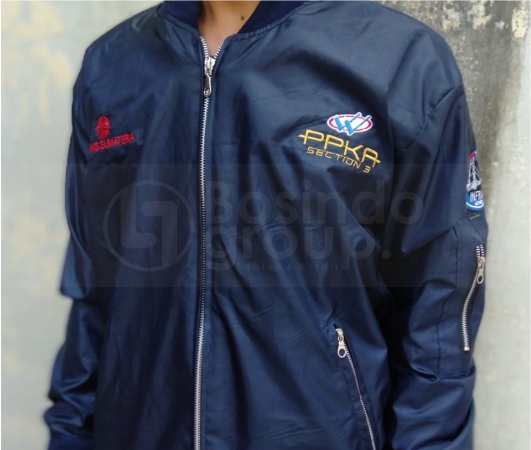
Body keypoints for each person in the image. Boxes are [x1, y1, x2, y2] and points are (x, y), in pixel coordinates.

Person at [44, 1, 489, 449]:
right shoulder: (112, 64)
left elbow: (439, 308)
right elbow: (95, 291)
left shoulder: (398, 59)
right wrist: (69, 436)